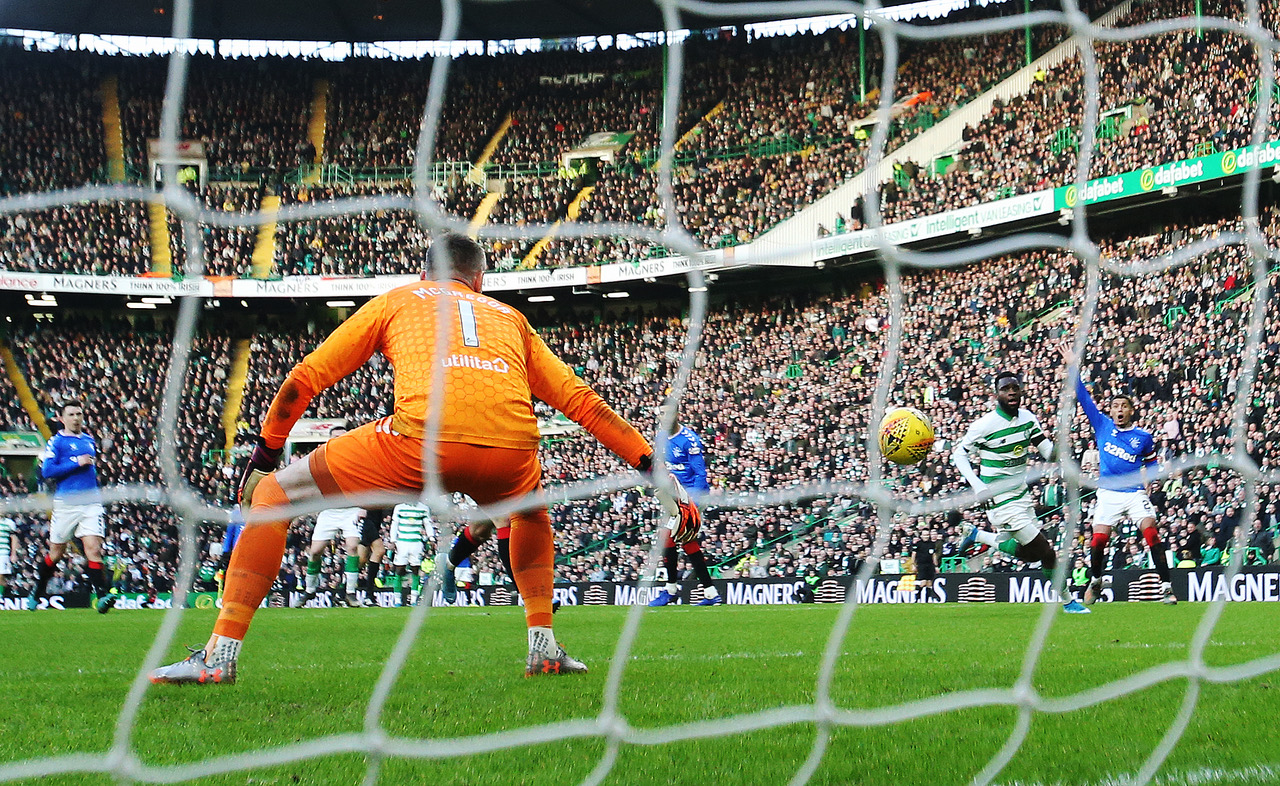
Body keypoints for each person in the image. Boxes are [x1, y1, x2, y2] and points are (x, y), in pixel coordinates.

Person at [151, 233, 699, 685]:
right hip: (510, 452)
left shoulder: (397, 301)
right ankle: (543, 646)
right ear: (478, 280)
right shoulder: (509, 318)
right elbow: (583, 403)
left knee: (273, 496)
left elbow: (304, 380)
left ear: (423, 275)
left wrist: (266, 454)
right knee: (530, 514)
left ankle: (219, 655)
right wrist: (656, 471)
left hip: (418, 443)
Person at [952, 371, 1090, 614]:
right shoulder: (984, 425)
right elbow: (958, 454)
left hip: (1021, 496)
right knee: (1046, 552)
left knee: (1032, 554)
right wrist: (978, 487)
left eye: (1015, 387)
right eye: (1006, 388)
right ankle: (1068, 601)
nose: (1012, 391)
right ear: (997, 394)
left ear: (1022, 390)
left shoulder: (1028, 419)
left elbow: (1049, 454)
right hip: (999, 501)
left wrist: (1061, 442)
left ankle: (978, 536)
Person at [1058, 341, 1177, 605]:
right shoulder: (1101, 425)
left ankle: (1167, 588)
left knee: (1151, 534)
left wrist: (1151, 481)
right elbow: (1083, 396)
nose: (1119, 411)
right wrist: (1073, 365)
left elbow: (1152, 462)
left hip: (1134, 493)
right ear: (1110, 411)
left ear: (1132, 410)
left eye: (1124, 407)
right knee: (1098, 540)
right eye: (1115, 407)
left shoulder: (1143, 437)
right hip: (1108, 493)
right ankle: (1096, 581)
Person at [31, 400, 116, 613]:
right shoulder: (56, 442)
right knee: (57, 553)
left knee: (93, 549)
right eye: (71, 414)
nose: (76, 417)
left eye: (79, 413)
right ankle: (38, 591)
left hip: (91, 502)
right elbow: (48, 472)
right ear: (62, 418)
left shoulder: (88, 440)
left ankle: (103, 597)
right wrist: (76, 462)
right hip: (66, 504)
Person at [292, 426, 370, 608]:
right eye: (335, 437)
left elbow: (366, 483)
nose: (338, 440)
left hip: (351, 509)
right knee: (315, 551)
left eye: (342, 437)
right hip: (329, 511)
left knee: (352, 547)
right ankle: (309, 591)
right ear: (329, 440)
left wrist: (364, 507)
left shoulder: (356, 460)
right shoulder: (321, 459)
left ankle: (350, 593)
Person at [649, 418, 721, 606]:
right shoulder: (661, 438)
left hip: (689, 497)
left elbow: (700, 473)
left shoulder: (690, 440)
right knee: (686, 542)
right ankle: (711, 593)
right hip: (673, 495)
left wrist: (693, 504)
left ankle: (672, 590)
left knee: (669, 537)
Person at [389, 501, 434, 606]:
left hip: (416, 543)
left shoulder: (424, 508)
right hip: (402, 543)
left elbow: (427, 523)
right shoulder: (399, 507)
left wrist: (431, 537)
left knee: (415, 569)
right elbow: (395, 523)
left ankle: (413, 600)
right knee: (399, 570)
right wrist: (393, 540)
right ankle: (397, 600)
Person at [912, 527, 938, 596]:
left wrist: (936, 566)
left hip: (930, 564)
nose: (926, 536)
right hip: (921, 564)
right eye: (924, 535)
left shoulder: (931, 544)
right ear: (921, 536)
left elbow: (934, 555)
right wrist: (913, 565)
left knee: (929, 582)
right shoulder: (918, 544)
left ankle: (927, 600)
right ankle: (917, 596)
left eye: (927, 535)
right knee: (923, 582)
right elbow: (913, 555)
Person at [0, 515, 16, 596]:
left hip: (3, 552)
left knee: (1, 575)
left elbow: (14, 538)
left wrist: (13, 553)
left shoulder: (9, 523)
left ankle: (1, 595)